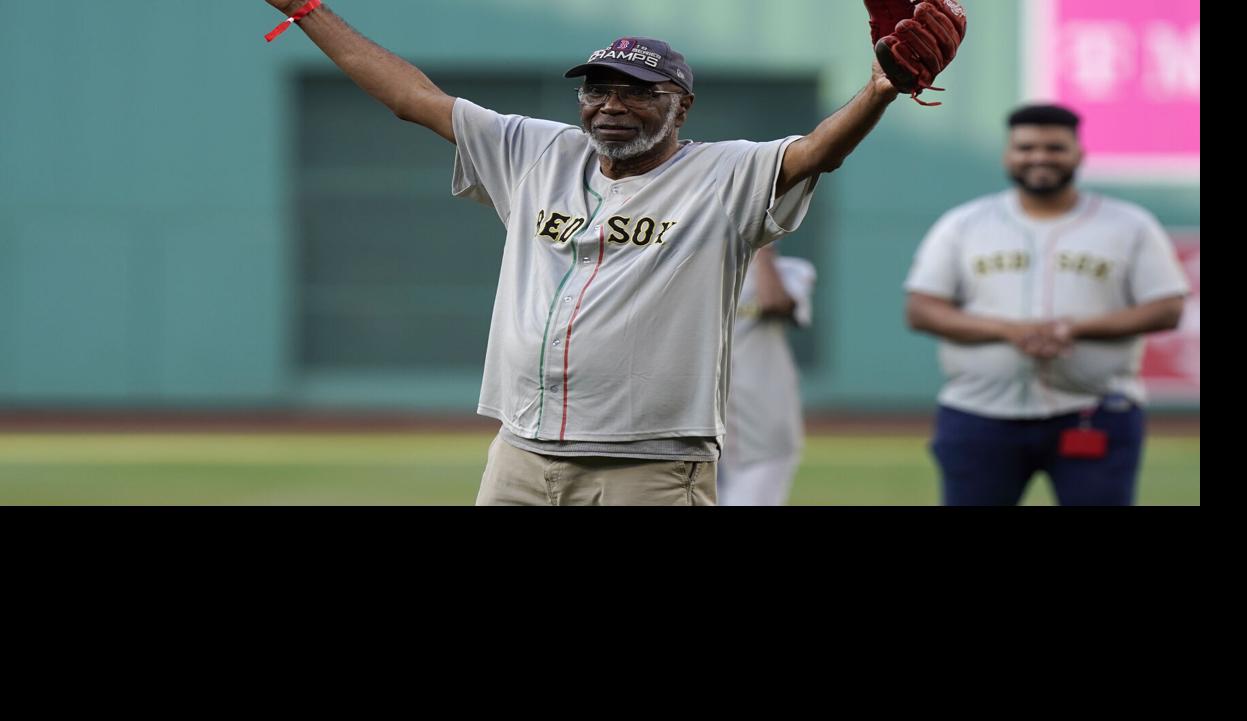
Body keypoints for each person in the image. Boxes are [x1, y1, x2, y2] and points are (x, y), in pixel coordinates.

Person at [260, 0, 959, 505]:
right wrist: (307, 8)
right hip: (522, 456)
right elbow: (413, 98)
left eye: (638, 93)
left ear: (681, 107)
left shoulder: (724, 173)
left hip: (649, 468)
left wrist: (879, 91)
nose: (611, 105)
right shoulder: (534, 151)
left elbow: (816, 153)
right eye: (598, 89)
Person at [902, 103, 1191, 506]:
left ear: (1079, 154)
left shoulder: (1129, 224)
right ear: (1008, 155)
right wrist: (1009, 331)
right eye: (1026, 147)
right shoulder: (964, 224)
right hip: (978, 413)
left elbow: (1167, 307)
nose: (1039, 157)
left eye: (1055, 147)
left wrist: (1073, 328)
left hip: (1096, 410)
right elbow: (921, 308)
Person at [720, 245, 817, 506]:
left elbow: (774, 303)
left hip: (766, 426)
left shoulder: (792, 270)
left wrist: (761, 247)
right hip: (706, 428)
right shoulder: (701, 272)